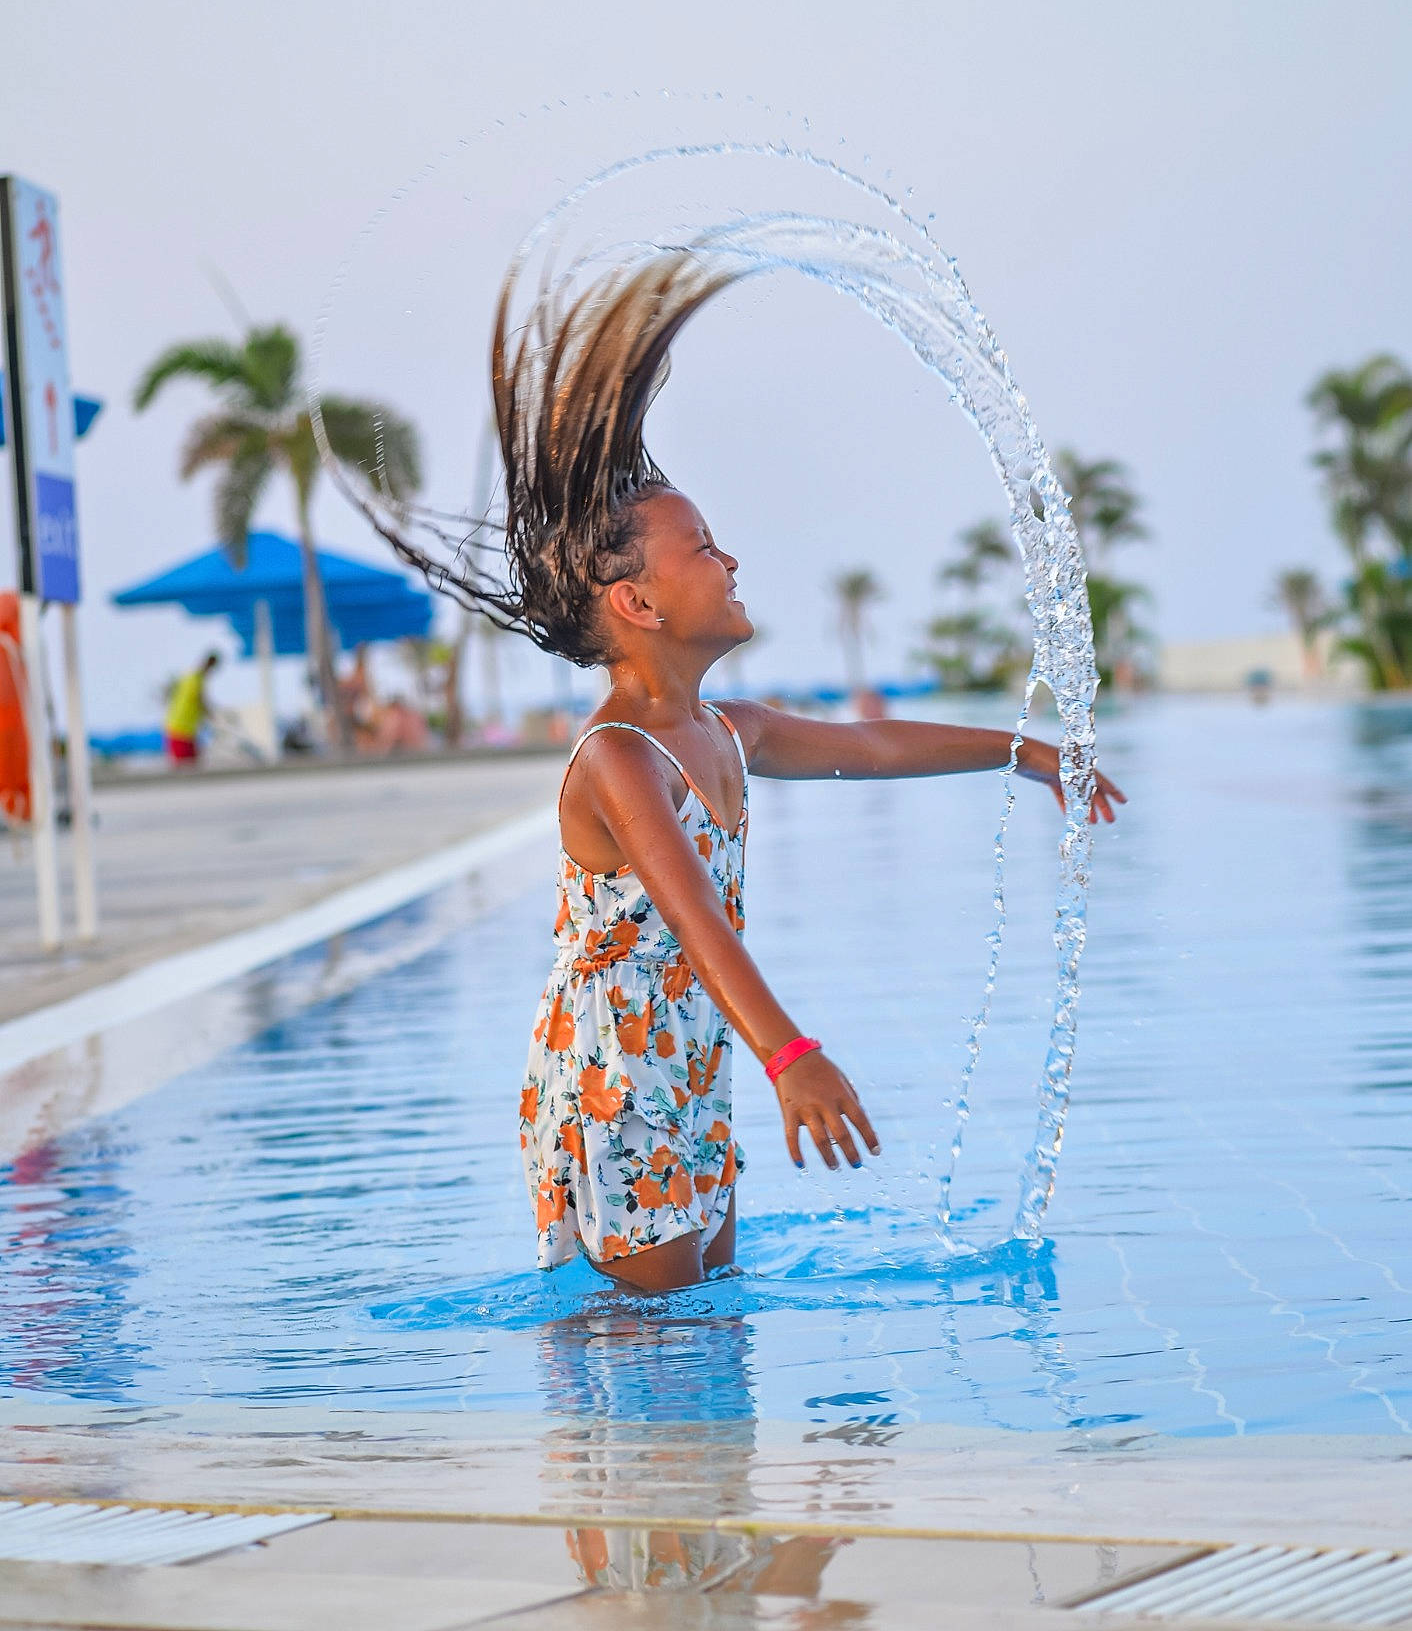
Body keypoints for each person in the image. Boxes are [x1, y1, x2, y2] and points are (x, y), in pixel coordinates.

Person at [386, 254, 1126, 1293]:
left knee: (706, 1321)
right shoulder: (616, 759)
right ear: (638, 605)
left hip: (694, 1054)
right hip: (612, 1079)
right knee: (640, 1336)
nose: (729, 561)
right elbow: (691, 913)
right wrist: (790, 1055)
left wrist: (1024, 752)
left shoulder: (725, 728)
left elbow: (867, 750)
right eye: (702, 547)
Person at [163, 651, 221, 765]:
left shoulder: (191, 677)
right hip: (179, 729)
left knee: (193, 763)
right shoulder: (195, 679)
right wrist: (211, 715)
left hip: (187, 730)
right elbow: (199, 700)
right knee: (185, 766)